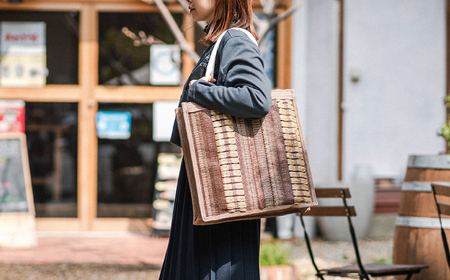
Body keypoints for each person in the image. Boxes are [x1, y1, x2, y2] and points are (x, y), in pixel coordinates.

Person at [158, 0, 272, 277]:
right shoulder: (223, 40)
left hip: (223, 184)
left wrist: (198, 91)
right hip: (213, 181)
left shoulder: (234, 39)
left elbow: (257, 99)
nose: (187, 0)